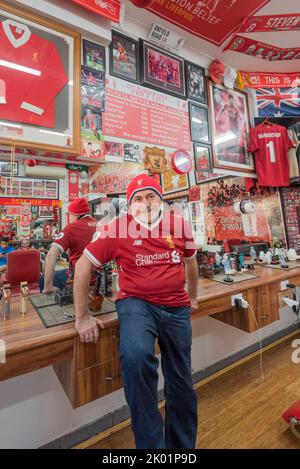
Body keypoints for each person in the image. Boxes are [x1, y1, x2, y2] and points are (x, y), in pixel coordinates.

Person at [73, 174, 198, 449]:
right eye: (138, 199)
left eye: (151, 196)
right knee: (136, 357)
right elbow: (83, 264)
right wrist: (81, 317)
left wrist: (194, 295)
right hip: (136, 302)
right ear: (130, 205)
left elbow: (191, 262)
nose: (145, 203)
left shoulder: (179, 226)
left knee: (181, 381)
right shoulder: (116, 229)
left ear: (161, 200)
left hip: (176, 306)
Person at [42, 198, 97, 294]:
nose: (69, 218)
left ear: (75, 214)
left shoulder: (71, 228)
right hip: (98, 279)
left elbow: (51, 255)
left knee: (42, 279)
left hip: (78, 278)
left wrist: (48, 286)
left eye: (69, 215)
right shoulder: (101, 225)